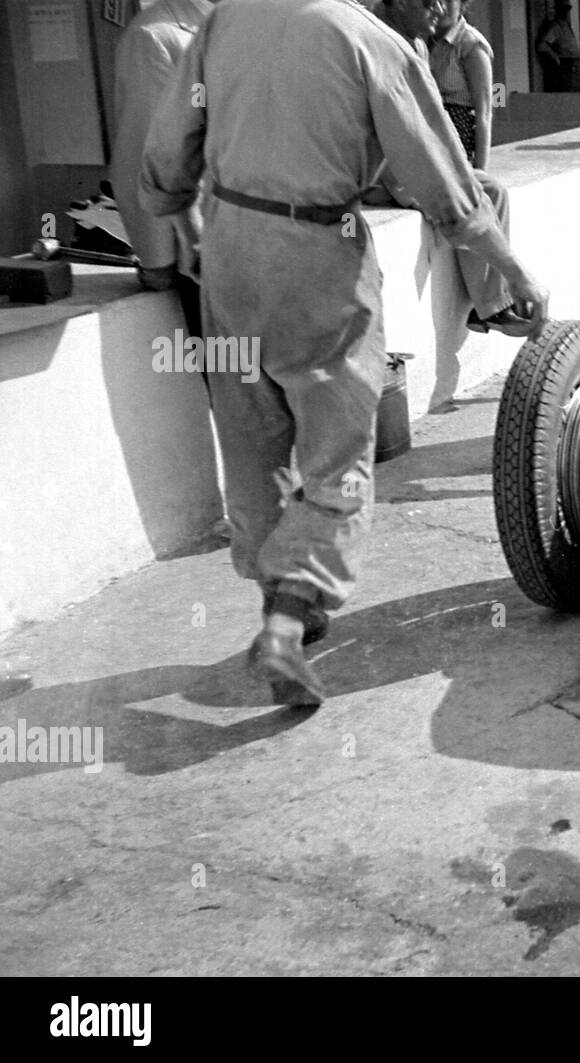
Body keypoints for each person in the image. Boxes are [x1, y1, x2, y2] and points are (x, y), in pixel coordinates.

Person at [141, 0, 548, 705]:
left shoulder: (225, 20)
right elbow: (448, 191)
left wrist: (179, 208)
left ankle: (289, 604)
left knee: (252, 440)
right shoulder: (368, 41)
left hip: (231, 253)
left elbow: (171, 139)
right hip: (316, 260)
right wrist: (513, 271)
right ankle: (286, 623)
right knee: (338, 456)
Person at [372, 0, 524, 348]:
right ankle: (491, 305)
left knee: (487, 193)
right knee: (475, 200)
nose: (438, 9)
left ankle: (491, 304)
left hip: (441, 146)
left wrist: (474, 169)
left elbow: (483, 114)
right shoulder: (391, 41)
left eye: (445, 2)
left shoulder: (465, 46)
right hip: (401, 165)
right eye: (430, 2)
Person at [109, 0, 214, 335]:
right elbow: (144, 150)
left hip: (274, 244)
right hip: (205, 255)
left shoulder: (252, 25)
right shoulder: (153, 37)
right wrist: (157, 258)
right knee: (237, 375)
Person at [428, 0, 496, 169]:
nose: (442, 6)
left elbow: (484, 114)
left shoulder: (471, 45)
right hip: (428, 135)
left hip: (457, 137)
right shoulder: (424, 39)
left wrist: (481, 171)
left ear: (461, 4)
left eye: (449, 1)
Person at [535, 1, 580, 91]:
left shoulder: (566, 25)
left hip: (573, 64)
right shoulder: (556, 26)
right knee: (567, 90)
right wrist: (555, 56)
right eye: (565, 10)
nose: (567, 13)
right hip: (565, 64)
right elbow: (542, 45)